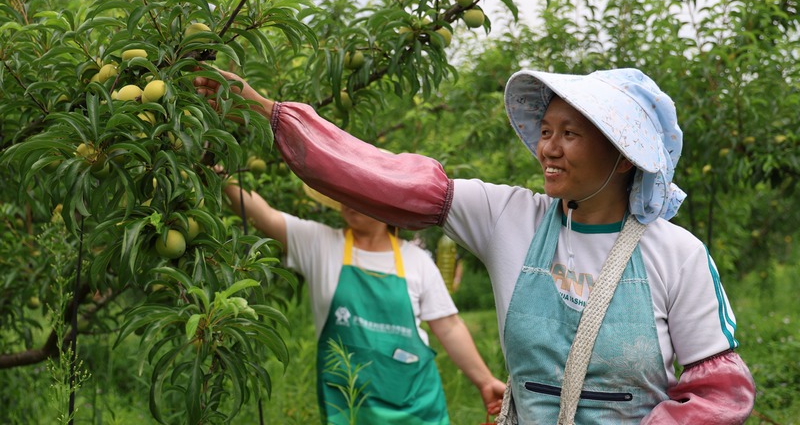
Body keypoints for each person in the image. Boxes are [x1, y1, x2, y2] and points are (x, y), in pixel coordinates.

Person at [195, 67, 756, 423]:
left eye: (570, 134)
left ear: (624, 153)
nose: (548, 150)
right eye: (545, 131)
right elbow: (379, 176)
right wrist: (263, 111)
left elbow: (719, 392)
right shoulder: (510, 216)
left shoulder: (676, 255)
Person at [220, 175, 505, 424]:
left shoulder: (416, 260)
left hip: (416, 407)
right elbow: (264, 216)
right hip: (349, 405)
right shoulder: (319, 244)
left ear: (386, 204)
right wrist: (221, 175)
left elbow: (449, 326)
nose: (352, 198)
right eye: (348, 190)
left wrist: (484, 380)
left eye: (363, 191)